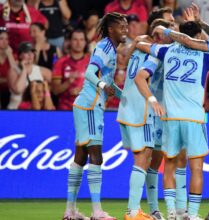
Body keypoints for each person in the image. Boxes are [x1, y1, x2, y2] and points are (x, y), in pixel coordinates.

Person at [135, 20, 209, 220]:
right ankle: (192, 214)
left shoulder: (166, 51)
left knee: (170, 165)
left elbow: (145, 47)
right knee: (196, 168)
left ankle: (171, 212)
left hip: (171, 118)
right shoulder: (205, 56)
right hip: (194, 118)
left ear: (181, 34)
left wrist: (138, 42)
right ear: (197, 37)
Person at [63, 12, 128, 220]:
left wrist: (125, 95)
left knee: (80, 158)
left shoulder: (110, 48)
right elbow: (90, 73)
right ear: (111, 29)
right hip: (90, 106)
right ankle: (97, 212)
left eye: (126, 26)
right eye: (121, 26)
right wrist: (103, 86)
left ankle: (70, 212)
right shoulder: (105, 47)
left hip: (87, 105)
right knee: (96, 157)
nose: (125, 30)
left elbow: (108, 82)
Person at [117, 19, 175, 220]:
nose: (172, 34)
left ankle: (139, 210)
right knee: (143, 159)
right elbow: (139, 78)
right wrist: (152, 100)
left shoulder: (141, 46)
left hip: (126, 109)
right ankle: (133, 211)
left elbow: (126, 57)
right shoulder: (155, 52)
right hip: (141, 110)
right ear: (159, 34)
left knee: (144, 159)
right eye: (169, 30)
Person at [52, 29, 89, 110]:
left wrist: (83, 92)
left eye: (81, 40)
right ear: (70, 42)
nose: (78, 43)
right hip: (65, 109)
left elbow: (99, 89)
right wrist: (68, 82)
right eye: (75, 39)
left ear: (85, 42)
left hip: (87, 110)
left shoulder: (92, 63)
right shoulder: (60, 62)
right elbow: (55, 91)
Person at [7, 41, 51, 109]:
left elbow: (56, 86)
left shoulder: (41, 71)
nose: (30, 55)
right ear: (20, 55)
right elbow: (18, 90)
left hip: (36, 109)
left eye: (32, 52)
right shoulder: (13, 70)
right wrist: (24, 70)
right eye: (27, 52)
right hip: (15, 110)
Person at [0, 27, 16, 109]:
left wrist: (10, 55)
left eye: (6, 39)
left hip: (10, 90)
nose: (4, 42)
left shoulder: (13, 55)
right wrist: (8, 80)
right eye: (1, 39)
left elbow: (16, 75)